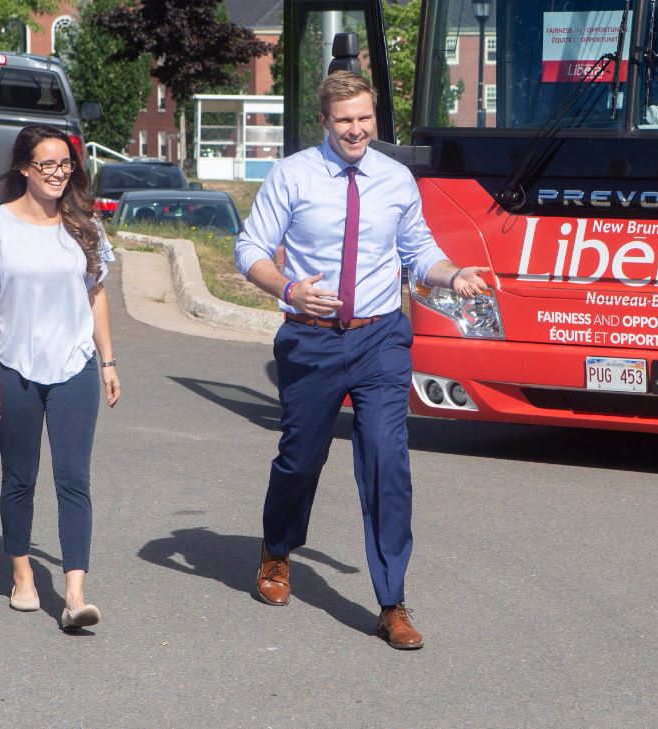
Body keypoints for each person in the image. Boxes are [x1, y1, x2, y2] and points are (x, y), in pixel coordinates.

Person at [234, 71, 490, 650]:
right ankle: (277, 552)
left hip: (380, 339)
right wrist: (289, 289)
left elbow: (418, 250)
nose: (356, 129)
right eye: (345, 119)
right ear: (325, 121)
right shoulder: (293, 175)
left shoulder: (396, 179)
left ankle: (392, 600)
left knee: (386, 463)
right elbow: (248, 247)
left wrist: (453, 274)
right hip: (312, 340)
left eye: (365, 119)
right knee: (300, 460)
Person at [0, 124, 120, 631]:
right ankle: (23, 575)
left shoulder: (84, 224)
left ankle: (74, 595)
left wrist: (108, 362)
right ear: (25, 167)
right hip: (13, 367)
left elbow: (96, 296)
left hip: (74, 367)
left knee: (74, 479)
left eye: (65, 164)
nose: (57, 173)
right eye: (47, 164)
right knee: (20, 477)